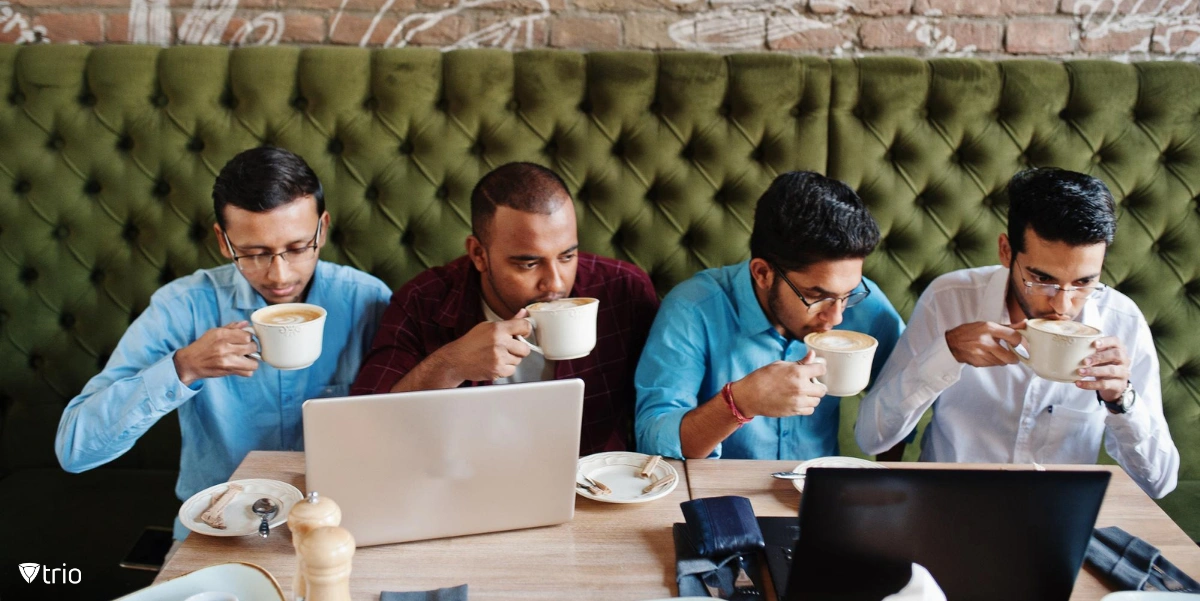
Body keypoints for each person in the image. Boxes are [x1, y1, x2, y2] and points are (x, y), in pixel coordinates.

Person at [55, 147, 392, 538]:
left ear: (324, 227)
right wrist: (182, 368)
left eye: (299, 248)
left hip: (340, 521)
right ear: (223, 241)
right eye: (253, 253)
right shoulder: (182, 307)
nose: (279, 274)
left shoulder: (366, 301)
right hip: (218, 529)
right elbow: (75, 450)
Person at [855, 168, 1179, 498]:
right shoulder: (949, 299)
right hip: (945, 505)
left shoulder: (1122, 321)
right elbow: (871, 437)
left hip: (1056, 519)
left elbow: (1160, 483)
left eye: (1084, 282)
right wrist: (944, 354)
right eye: (1042, 279)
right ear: (1006, 251)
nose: (1063, 305)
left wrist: (1121, 400)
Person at [351, 162, 660, 455]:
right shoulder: (423, 301)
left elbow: (664, 411)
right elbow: (363, 427)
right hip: (464, 485)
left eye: (567, 256)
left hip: (595, 488)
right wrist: (450, 365)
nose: (555, 283)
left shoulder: (623, 290)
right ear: (478, 254)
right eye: (529, 263)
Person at [635, 171, 904, 460]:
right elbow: (652, 440)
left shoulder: (864, 301)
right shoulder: (693, 307)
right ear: (763, 273)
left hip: (818, 492)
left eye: (848, 294)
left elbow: (905, 393)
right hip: (720, 497)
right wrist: (740, 402)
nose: (837, 316)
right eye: (816, 296)